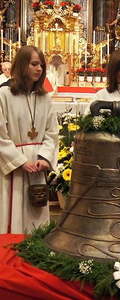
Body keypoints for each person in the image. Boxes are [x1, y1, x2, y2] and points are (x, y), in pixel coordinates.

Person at [0, 46, 59, 234]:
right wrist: (20, 161)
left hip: (37, 165)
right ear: (22, 65)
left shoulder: (45, 98)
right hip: (13, 165)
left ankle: (36, 250)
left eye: (41, 65)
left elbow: (52, 133)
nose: (39, 69)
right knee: (13, 211)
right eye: (34, 64)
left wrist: (44, 157)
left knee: (36, 217)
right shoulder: (4, 95)